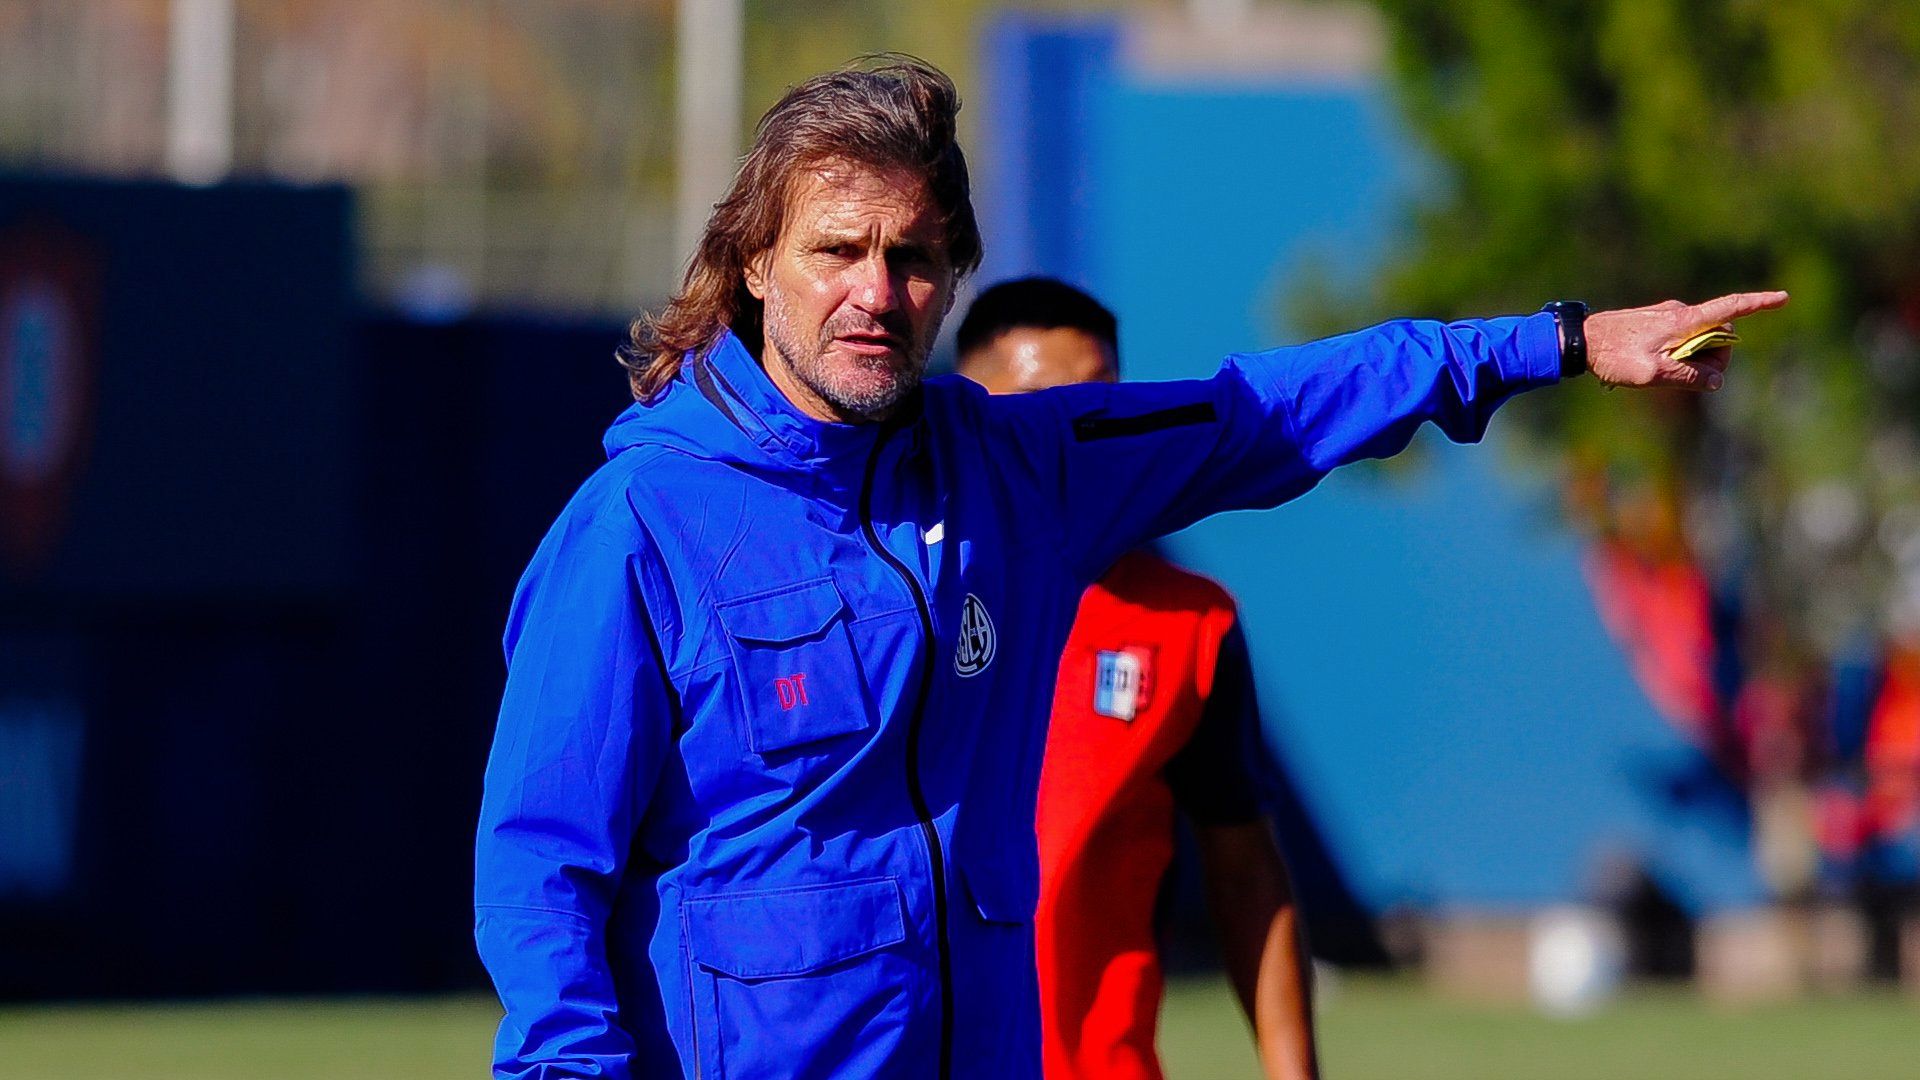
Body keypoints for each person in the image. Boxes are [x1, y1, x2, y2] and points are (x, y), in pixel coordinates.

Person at [472, 56, 1786, 1080]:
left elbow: (1268, 408)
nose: (876, 291)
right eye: (837, 250)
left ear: (952, 278)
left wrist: (1559, 343)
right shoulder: (639, 524)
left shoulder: (1014, 470)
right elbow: (539, 866)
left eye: (913, 257)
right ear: (757, 262)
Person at [955, 277, 1316, 1080]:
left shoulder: (1188, 627)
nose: (1073, 434)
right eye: (1039, 407)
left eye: (1099, 406)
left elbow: (1244, 870)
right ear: (970, 415)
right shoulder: (901, 598)